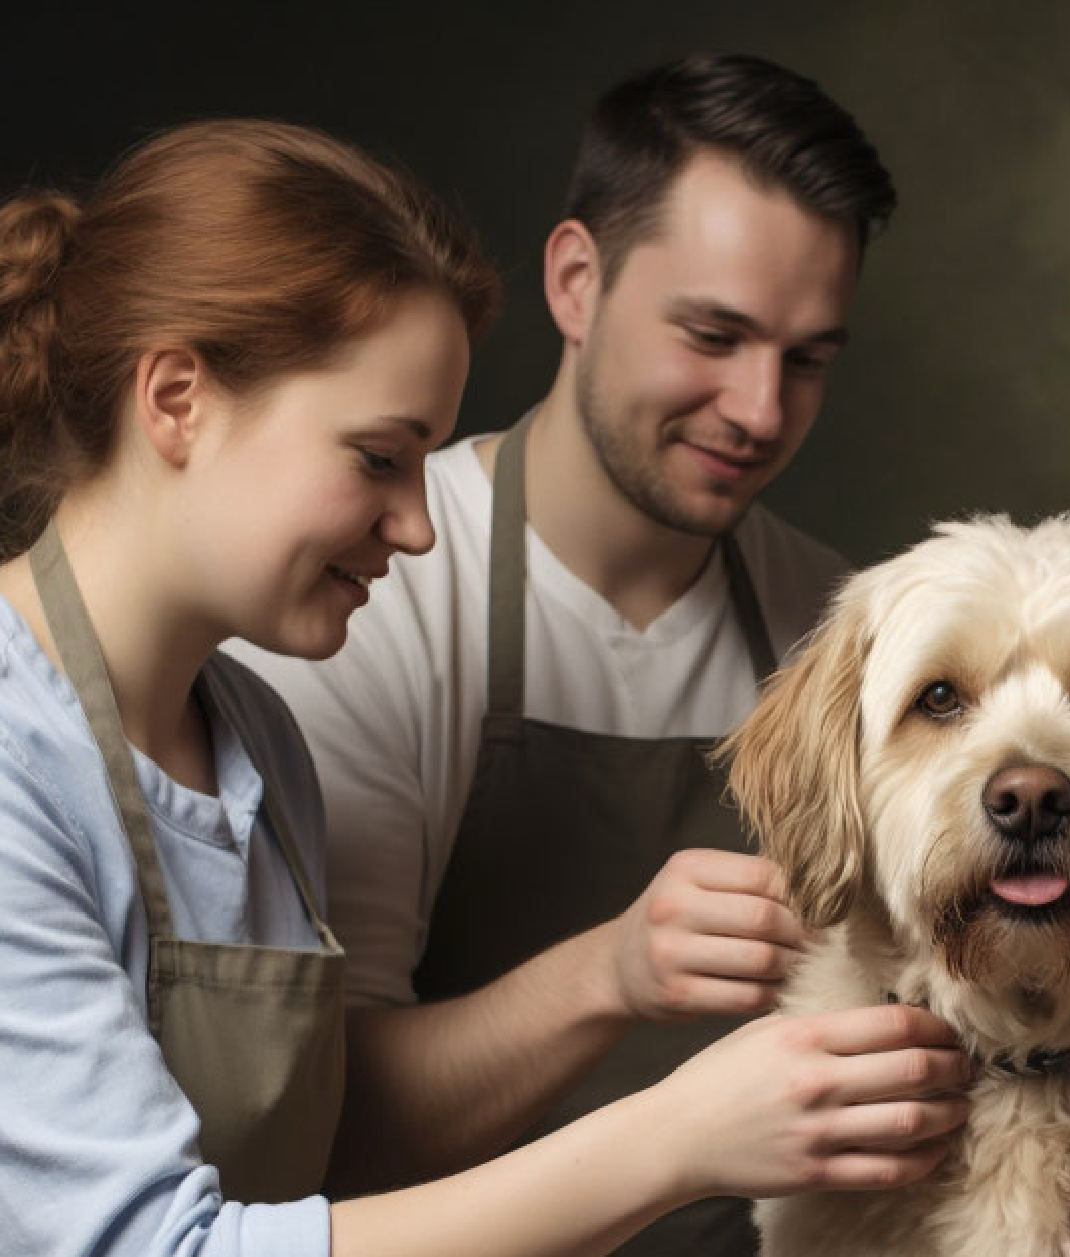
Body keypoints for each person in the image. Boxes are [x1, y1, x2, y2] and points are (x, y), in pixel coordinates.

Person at [0, 117, 970, 1257]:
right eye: (377, 457)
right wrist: (671, 1137)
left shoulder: (253, 741)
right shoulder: (19, 756)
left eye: (426, 465)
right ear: (175, 399)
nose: (417, 526)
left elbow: (329, 1167)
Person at [223, 52, 896, 1254]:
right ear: (577, 283)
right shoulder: (368, 601)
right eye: (713, 333)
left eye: (807, 360)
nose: (756, 408)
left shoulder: (840, 626)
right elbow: (319, 1122)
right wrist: (610, 973)